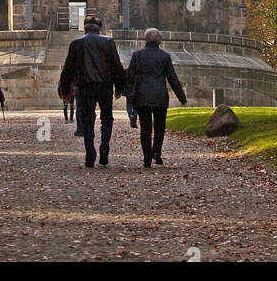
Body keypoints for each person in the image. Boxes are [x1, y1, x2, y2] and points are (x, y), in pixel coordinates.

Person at [58, 15, 125, 168]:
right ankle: (104, 148)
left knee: (88, 119)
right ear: (99, 27)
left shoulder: (77, 43)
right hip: (105, 85)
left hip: (85, 86)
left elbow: (68, 69)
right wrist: (119, 87)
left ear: (85, 27)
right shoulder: (108, 42)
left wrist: (66, 89)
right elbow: (116, 66)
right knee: (107, 118)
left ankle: (90, 154)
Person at [125, 28, 188, 168]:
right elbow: (172, 78)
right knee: (160, 127)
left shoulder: (137, 55)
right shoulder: (164, 56)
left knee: (145, 128)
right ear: (159, 40)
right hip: (159, 96)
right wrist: (181, 97)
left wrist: (127, 94)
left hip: (142, 96)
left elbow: (129, 76)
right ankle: (157, 153)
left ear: (145, 40)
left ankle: (147, 157)